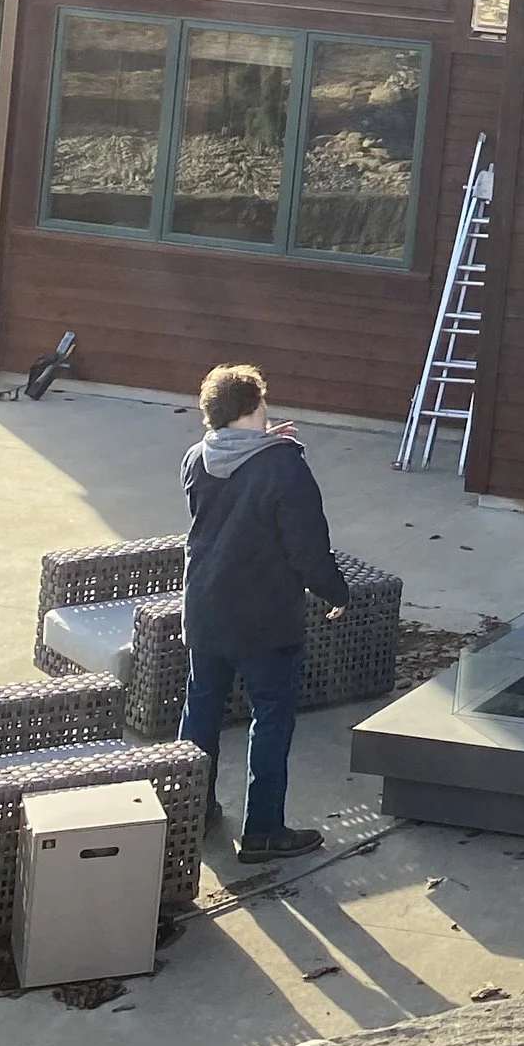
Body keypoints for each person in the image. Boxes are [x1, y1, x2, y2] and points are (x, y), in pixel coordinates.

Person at [178, 363, 355, 861]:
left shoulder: (197, 457)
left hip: (206, 609)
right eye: (263, 407)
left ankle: (191, 809)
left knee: (201, 712)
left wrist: (265, 442)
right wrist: (337, 593)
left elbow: (235, 483)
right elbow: (308, 550)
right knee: (271, 717)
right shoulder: (284, 466)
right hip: (263, 620)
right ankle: (263, 831)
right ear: (252, 409)